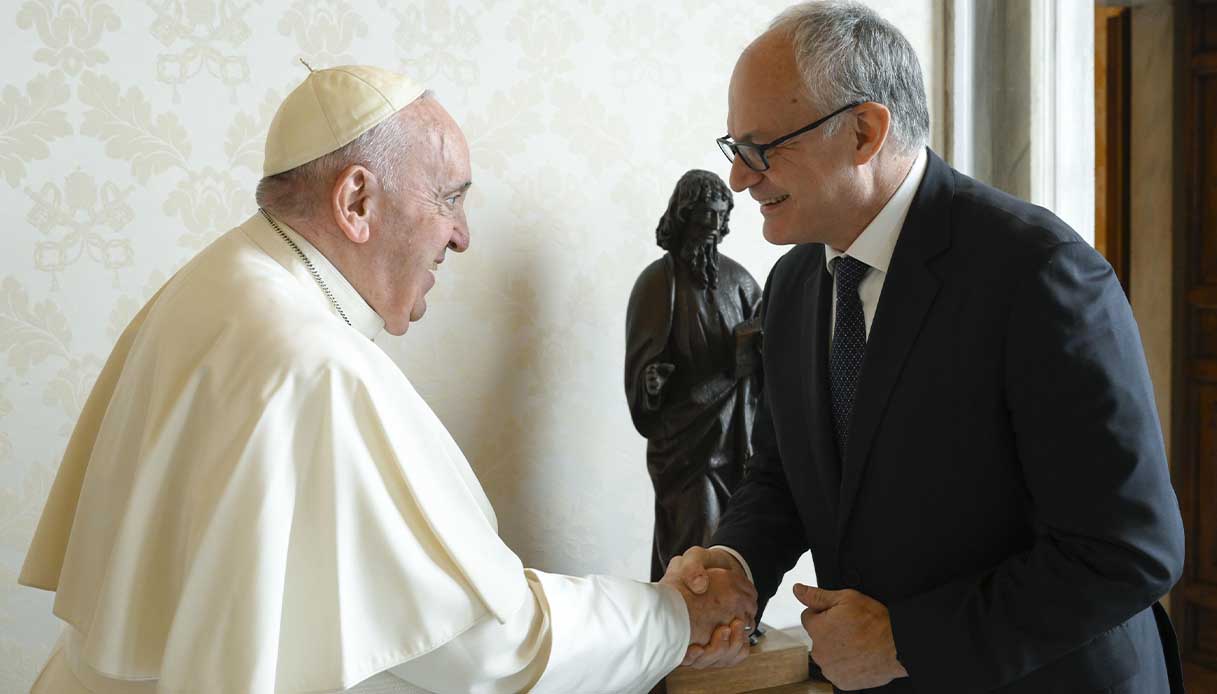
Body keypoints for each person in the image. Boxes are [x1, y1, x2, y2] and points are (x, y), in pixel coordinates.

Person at [19, 64, 756, 694]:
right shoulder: (312, 364)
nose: (462, 235)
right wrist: (669, 615)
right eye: (449, 197)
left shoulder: (218, 283)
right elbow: (486, 645)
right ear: (356, 201)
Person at [668, 2, 1187, 692]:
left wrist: (906, 641)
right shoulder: (795, 280)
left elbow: (1127, 551)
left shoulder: (1038, 271)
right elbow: (783, 474)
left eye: (763, 148)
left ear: (863, 131)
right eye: (734, 149)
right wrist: (733, 567)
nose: (740, 178)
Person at [625, 169, 762, 582]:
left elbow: (766, 343)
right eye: (705, 216)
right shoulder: (657, 284)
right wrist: (650, 385)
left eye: (721, 217)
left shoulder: (739, 281)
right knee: (694, 535)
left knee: (737, 538)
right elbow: (641, 366)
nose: (714, 228)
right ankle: (686, 623)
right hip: (684, 444)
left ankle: (730, 618)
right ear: (684, 216)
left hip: (733, 432)